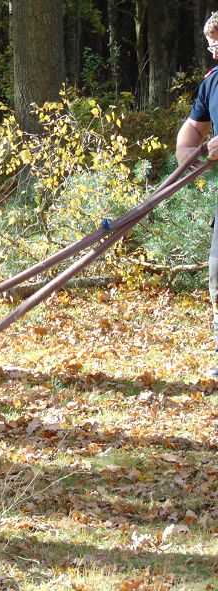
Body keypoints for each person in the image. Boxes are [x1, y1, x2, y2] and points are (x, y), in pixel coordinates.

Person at [176, 10, 218, 377]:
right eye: (211, 40)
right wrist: (186, 160)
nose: (214, 47)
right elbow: (193, 128)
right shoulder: (212, 82)